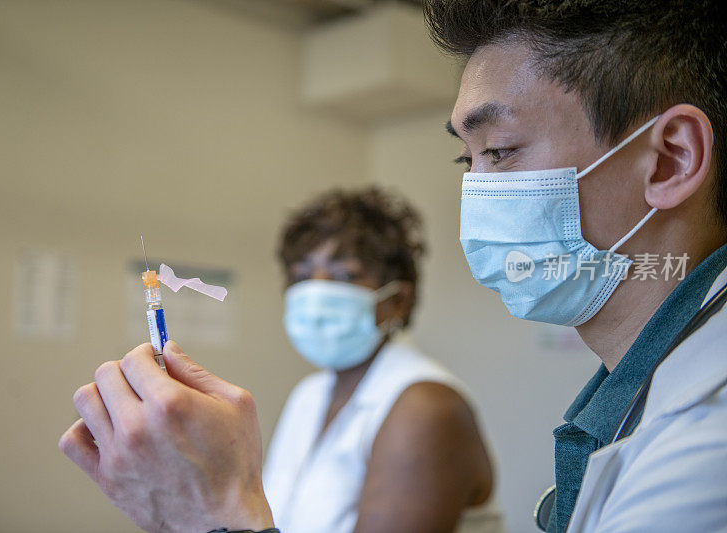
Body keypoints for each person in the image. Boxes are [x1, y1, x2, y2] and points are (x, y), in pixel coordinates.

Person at [59, 1, 727, 532]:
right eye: (468, 160)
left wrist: (212, 514)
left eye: (499, 149)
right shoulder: (631, 399)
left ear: (668, 160)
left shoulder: (709, 445)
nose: (479, 194)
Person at [264, 187, 500, 532]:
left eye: (344, 275)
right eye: (301, 276)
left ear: (398, 300)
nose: (315, 293)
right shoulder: (309, 394)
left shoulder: (425, 407)